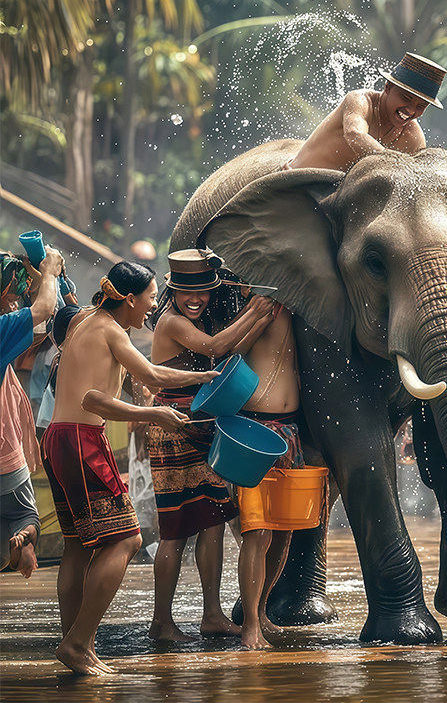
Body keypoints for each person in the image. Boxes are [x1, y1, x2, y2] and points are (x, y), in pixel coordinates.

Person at [40, 261, 219, 676]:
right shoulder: (112, 331)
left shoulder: (87, 319)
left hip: (58, 438)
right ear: (130, 298)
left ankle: (76, 646)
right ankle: (79, 642)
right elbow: (107, 394)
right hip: (83, 441)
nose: (153, 309)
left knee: (77, 545)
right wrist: (156, 414)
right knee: (127, 541)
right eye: (152, 299)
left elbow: (152, 378)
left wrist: (203, 377)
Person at [147, 250, 274, 642]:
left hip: (201, 429)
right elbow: (218, 348)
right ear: (173, 292)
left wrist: (264, 315)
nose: (195, 299)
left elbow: (230, 354)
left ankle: (212, 615)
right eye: (187, 292)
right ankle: (162, 622)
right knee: (174, 531)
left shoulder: (196, 321)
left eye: (202, 291)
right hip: (173, 429)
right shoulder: (171, 322)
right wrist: (255, 309)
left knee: (214, 522)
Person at [236, 286, 304, 650]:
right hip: (257, 430)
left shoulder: (303, 307)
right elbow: (230, 352)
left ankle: (261, 611)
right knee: (257, 532)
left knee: (283, 531)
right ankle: (249, 626)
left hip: (291, 429)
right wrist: (255, 315)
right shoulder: (259, 305)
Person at [0, 247, 63, 578]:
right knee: (26, 515)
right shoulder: (0, 329)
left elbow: (38, 329)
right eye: (11, 293)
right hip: (4, 457)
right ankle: (24, 540)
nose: (15, 302)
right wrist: (49, 271)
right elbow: (43, 311)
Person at [288, 52, 446, 172]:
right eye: (406, 98)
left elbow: (416, 175)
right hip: (299, 183)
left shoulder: (412, 136)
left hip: (344, 202)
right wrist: (397, 164)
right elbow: (354, 134)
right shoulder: (360, 101)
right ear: (388, 87)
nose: (411, 110)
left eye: (421, 106)